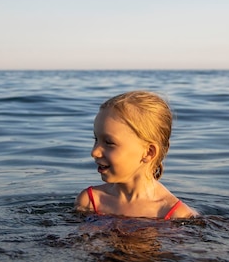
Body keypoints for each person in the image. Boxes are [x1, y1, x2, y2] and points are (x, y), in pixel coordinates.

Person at [75, 91, 197, 219]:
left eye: (109, 143)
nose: (94, 152)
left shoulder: (175, 214)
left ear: (149, 152)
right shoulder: (90, 201)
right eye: (96, 139)